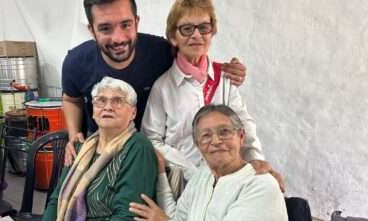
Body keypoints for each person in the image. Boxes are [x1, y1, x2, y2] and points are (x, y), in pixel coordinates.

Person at [63, 0, 247, 165]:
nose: (118, 38)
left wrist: (225, 70)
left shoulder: (161, 52)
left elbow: (193, 56)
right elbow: (71, 100)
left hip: (149, 155)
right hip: (101, 149)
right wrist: (73, 135)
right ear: (91, 30)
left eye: (126, 25)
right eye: (105, 28)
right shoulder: (76, 62)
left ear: (137, 22)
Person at [141, 0, 283, 186]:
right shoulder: (163, 87)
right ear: (173, 37)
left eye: (204, 27)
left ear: (212, 32)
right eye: (186, 29)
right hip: (185, 183)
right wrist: (190, 171)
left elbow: (243, 122)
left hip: (228, 176)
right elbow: (151, 139)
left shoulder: (225, 78)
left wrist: (254, 157)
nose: (196, 35)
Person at [130, 104, 288, 221]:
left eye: (224, 132)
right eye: (206, 135)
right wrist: (161, 173)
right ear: (197, 144)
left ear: (241, 136)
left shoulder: (262, 186)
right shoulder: (203, 176)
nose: (216, 141)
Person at [37, 77, 162, 221]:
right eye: (101, 100)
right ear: (94, 111)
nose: (108, 107)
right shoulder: (81, 148)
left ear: (133, 112)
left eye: (118, 101)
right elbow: (56, 200)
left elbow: (128, 220)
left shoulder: (137, 147)